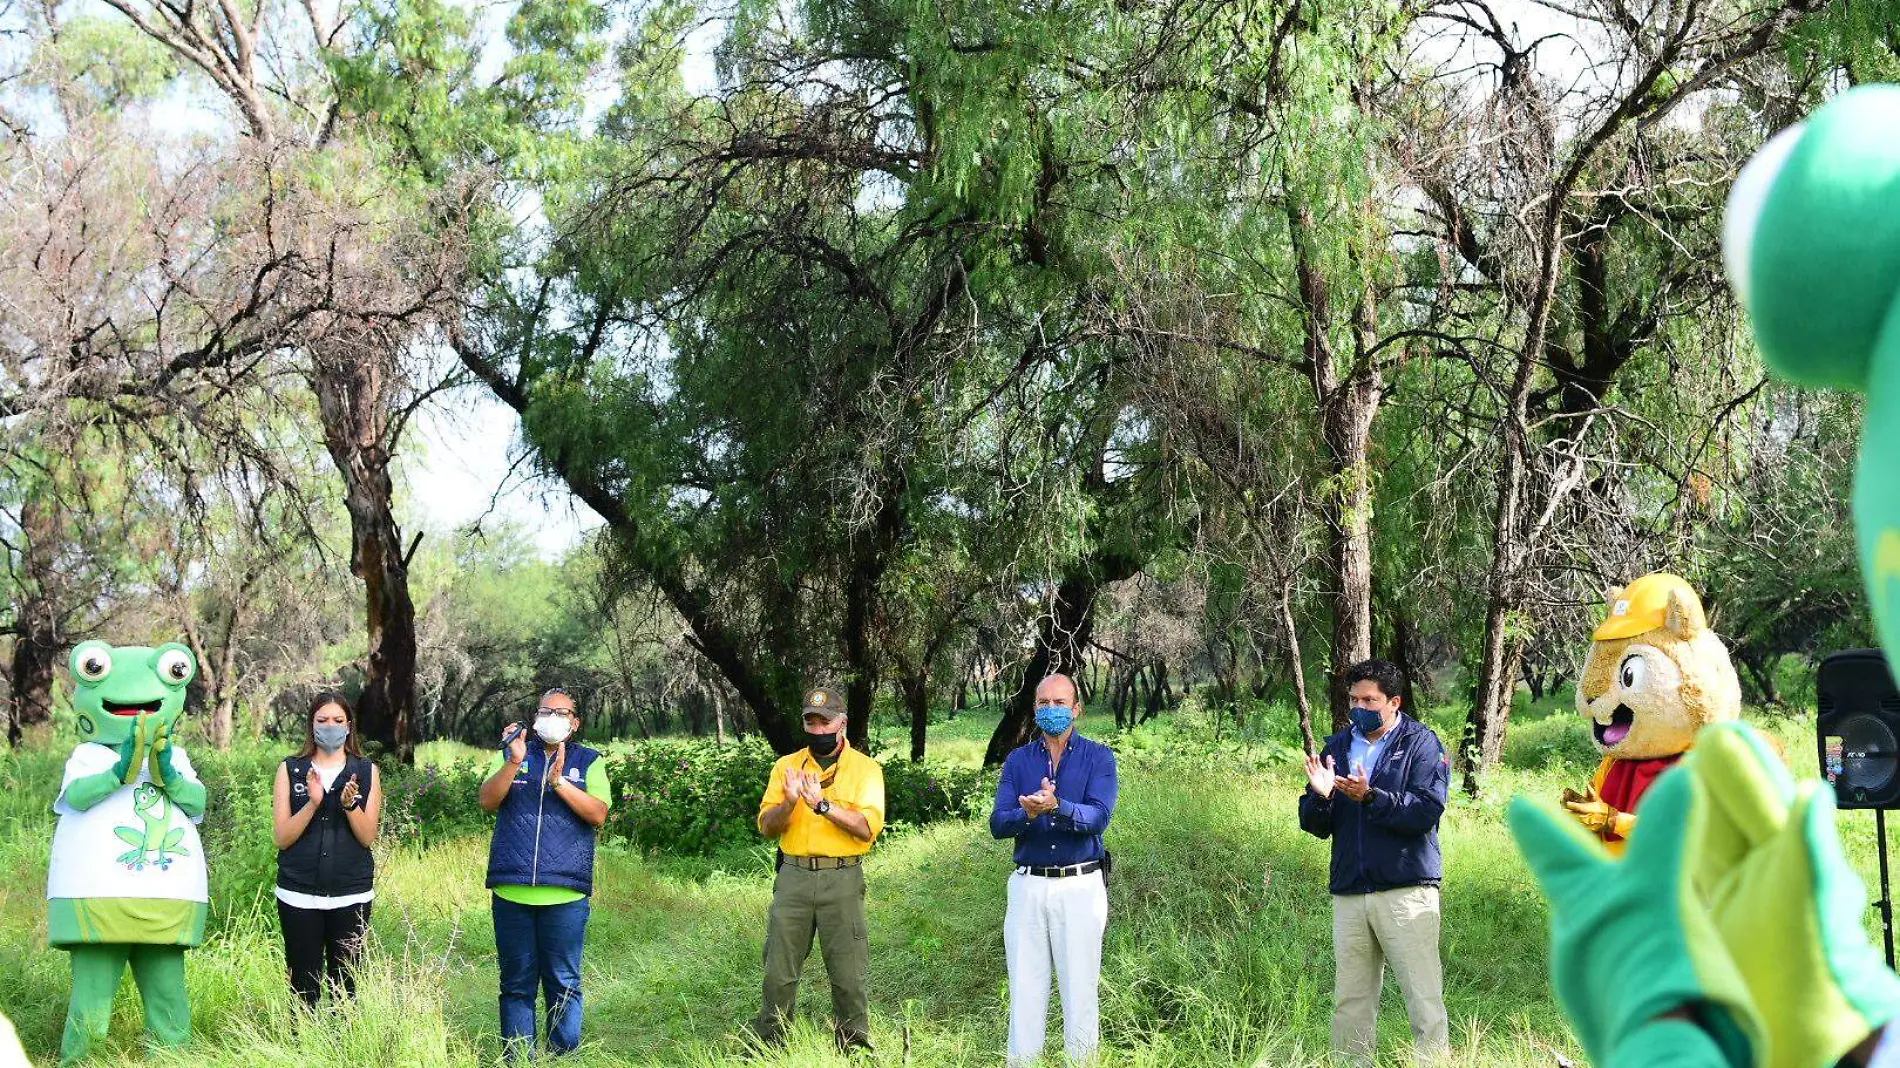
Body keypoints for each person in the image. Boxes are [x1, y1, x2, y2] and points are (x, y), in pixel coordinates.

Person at [47, 641, 208, 1065]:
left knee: (169, 1000)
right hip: (96, 896)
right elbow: (77, 797)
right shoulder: (86, 756)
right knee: (91, 1004)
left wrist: (168, 773)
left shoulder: (176, 757)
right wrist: (119, 772)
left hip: (166, 897)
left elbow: (197, 803)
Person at [1298, 658, 1451, 1065]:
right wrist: (1321, 795)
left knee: (1422, 995)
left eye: (1370, 699)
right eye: (1354, 699)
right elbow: (1313, 825)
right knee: (1351, 1000)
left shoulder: (1422, 744)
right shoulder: (1337, 747)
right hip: (1350, 890)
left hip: (1405, 889)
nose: (1359, 707)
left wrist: (1371, 797)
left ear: (1394, 702)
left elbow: (1425, 811)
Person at [989, 673, 1117, 1067]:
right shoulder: (1018, 760)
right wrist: (1027, 814)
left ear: (1076, 708)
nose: (1051, 710)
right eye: (1043, 703)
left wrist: (1057, 806)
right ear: (1035, 709)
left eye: (1060, 703)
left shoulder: (1099, 757)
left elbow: (1098, 816)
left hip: (1080, 886)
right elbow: (998, 824)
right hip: (1028, 888)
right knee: (1025, 991)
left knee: (1080, 992)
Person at [477, 688, 611, 1060]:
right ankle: (519, 1057)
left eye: (562, 712)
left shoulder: (589, 762)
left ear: (575, 722)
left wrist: (559, 782)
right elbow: (488, 802)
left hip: (566, 894)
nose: (552, 717)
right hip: (512, 890)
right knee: (517, 984)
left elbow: (598, 813)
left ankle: (563, 1055)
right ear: (535, 717)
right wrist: (511, 762)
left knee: (563, 982)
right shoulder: (513, 753)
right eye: (545, 710)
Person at [754, 685, 886, 1052]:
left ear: (842, 724)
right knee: (779, 971)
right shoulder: (787, 767)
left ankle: (854, 1048)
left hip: (842, 877)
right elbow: (766, 826)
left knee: (847, 972)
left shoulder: (865, 769)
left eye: (824, 722)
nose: (817, 731)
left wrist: (821, 804)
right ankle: (770, 1045)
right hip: (793, 876)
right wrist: (790, 802)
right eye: (810, 723)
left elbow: (866, 829)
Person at [272, 691, 382, 1006]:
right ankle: (302, 1049)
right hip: (297, 894)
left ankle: (341, 1051)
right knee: (302, 986)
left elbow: (366, 837)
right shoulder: (291, 769)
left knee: (345, 988)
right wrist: (312, 803)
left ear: (349, 726)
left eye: (337, 720)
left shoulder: (365, 770)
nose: (330, 727)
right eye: (322, 720)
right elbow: (282, 837)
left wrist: (349, 806)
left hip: (351, 895)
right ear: (311, 725)